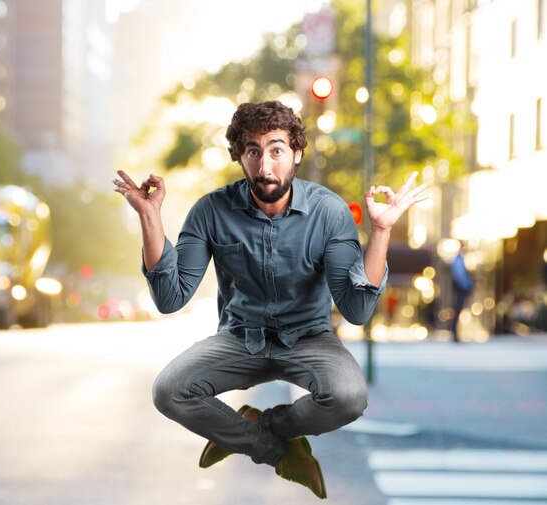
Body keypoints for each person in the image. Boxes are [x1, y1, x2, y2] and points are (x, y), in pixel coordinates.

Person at [113, 100, 427, 499]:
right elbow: (170, 298)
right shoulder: (210, 211)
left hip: (309, 338)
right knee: (169, 390)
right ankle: (274, 449)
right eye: (253, 151)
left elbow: (358, 309)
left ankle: (269, 426)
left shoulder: (329, 213)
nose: (265, 167)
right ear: (240, 156)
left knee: (349, 397)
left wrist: (381, 232)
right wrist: (149, 218)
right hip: (239, 338)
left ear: (296, 153)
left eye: (276, 150)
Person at [450, 247, 474, 342]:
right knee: (458, 310)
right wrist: (467, 285)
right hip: (461, 289)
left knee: (458, 310)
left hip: (461, 288)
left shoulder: (459, 260)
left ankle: (455, 332)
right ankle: (454, 332)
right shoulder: (459, 260)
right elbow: (459, 276)